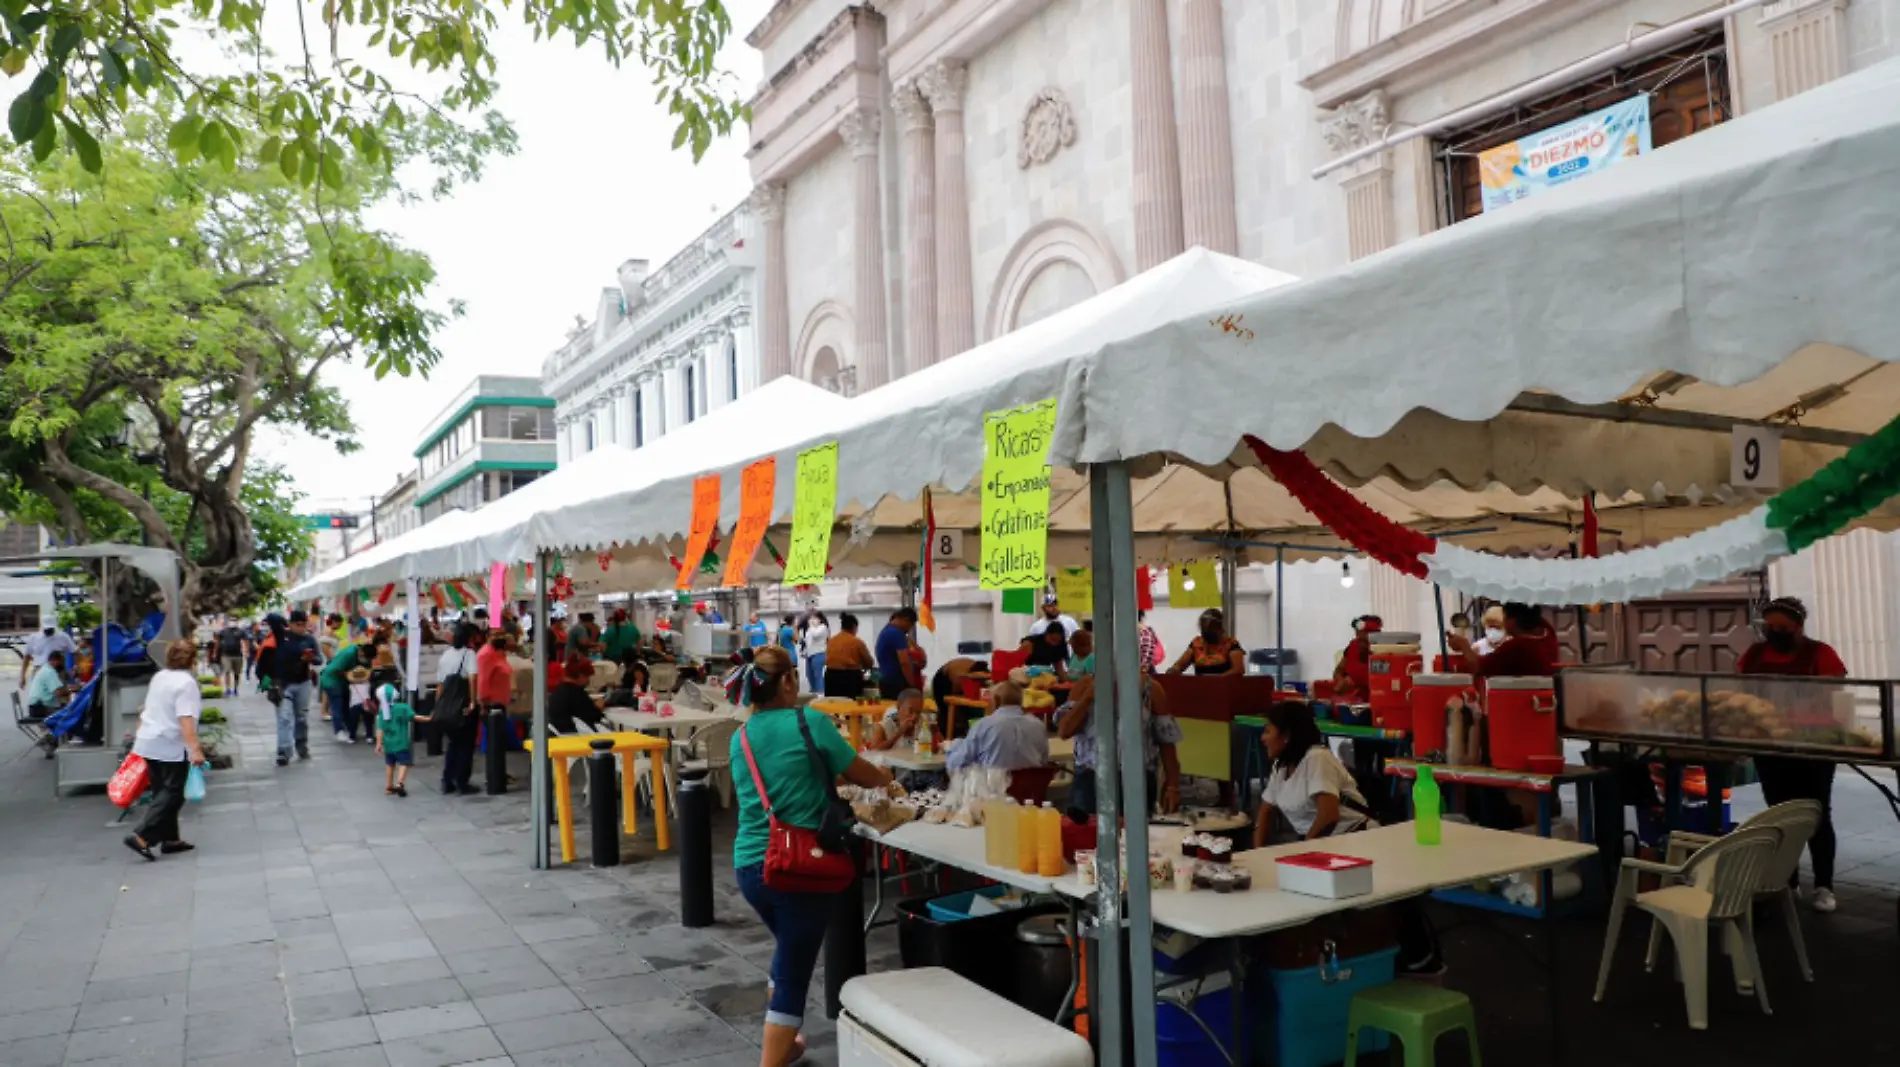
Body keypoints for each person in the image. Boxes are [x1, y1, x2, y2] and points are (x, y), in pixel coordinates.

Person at [730, 646, 892, 1067]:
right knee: (793, 975)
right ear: (787, 681)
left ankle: (789, 1045)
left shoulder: (740, 737)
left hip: (751, 866)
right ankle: (772, 1060)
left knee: (789, 949)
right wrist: (888, 779)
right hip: (799, 866)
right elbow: (862, 774)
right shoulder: (810, 721)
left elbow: (783, 779)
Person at [1739, 596, 1848, 913]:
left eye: (1782, 627)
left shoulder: (1821, 653)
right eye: (1769, 626)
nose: (1774, 632)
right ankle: (1788, 882)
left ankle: (1824, 886)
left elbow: (1837, 693)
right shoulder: (1754, 654)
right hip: (1770, 746)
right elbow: (1740, 689)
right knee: (1779, 814)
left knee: (1816, 814)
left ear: (1799, 626)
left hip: (1813, 746)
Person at [123, 640, 207, 860]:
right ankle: (142, 835)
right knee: (173, 792)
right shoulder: (187, 683)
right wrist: (195, 749)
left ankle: (171, 839)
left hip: (149, 740)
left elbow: (146, 708)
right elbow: (185, 719)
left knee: (162, 790)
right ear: (192, 659)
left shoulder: (160, 677)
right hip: (170, 744)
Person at [1058, 671, 1183, 814]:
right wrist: (1087, 697)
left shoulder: (1151, 689)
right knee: (1088, 832)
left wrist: (1173, 786)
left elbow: (1167, 743)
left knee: (1136, 834)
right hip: (1090, 778)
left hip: (1137, 779)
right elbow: (1064, 731)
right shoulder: (1085, 685)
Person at [1253, 701, 1370, 846]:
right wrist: (1257, 851)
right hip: (1320, 842)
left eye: (1268, 731)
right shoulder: (1281, 767)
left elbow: (1329, 816)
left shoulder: (1317, 758)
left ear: (1286, 735)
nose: (1262, 738)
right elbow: (1265, 811)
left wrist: (1304, 852)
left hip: (1354, 839)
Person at [947, 680, 1049, 774]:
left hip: (992, 791)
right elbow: (1044, 761)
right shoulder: (1038, 725)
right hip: (1031, 791)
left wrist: (952, 748)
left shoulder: (984, 725)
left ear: (996, 700)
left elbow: (957, 764)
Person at [1446, 602, 1560, 679]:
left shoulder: (1517, 647)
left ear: (1512, 621)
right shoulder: (1548, 632)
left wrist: (1463, 645)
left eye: (1504, 617)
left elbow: (1476, 667)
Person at [436, 626, 483, 796]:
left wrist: (439, 705)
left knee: (453, 744)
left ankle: (447, 780)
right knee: (466, 745)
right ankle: (462, 781)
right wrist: (472, 701)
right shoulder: (469, 654)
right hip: (462, 704)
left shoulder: (445, 655)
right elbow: (473, 677)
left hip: (447, 707)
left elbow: (440, 684)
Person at [272, 611, 321, 766]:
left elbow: (319, 659)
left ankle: (301, 745)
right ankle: (284, 751)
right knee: (284, 717)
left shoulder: (309, 639)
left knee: (301, 717)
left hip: (303, 682)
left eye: (304, 625)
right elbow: (273, 618)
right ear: (291, 624)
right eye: (297, 625)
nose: (301, 628)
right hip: (283, 683)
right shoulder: (282, 637)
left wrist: (310, 658)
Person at [372, 681, 428, 798]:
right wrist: (429, 719)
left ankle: (388, 787)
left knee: (389, 765)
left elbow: (380, 729)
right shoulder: (402, 707)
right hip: (401, 743)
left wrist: (379, 744)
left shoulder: (382, 713)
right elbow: (414, 717)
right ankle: (400, 783)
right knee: (404, 763)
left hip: (388, 745)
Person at [1168, 608, 1245, 676]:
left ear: (1220, 628)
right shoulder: (1197, 644)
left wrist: (1215, 681)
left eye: (1211, 629)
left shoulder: (1231, 644)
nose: (1207, 633)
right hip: (1201, 689)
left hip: (1226, 688)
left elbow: (1238, 670)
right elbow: (1179, 665)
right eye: (1204, 630)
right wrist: (1174, 670)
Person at [319, 632, 366, 743]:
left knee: (345, 706)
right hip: (331, 681)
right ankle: (339, 731)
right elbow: (337, 669)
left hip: (340, 682)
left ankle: (350, 730)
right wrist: (349, 676)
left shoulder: (354, 650)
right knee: (337, 707)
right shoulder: (349, 653)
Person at [822, 613, 874, 698]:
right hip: (850, 678)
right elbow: (869, 663)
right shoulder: (857, 642)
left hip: (831, 676)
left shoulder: (831, 641)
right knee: (850, 706)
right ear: (854, 627)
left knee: (833, 705)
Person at [1331, 615, 1382, 699]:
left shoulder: (1382, 652)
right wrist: (1340, 680)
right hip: (1348, 702)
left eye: (1365, 641)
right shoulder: (1353, 646)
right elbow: (1339, 669)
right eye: (1358, 633)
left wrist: (1352, 681)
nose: (1360, 637)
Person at [874, 608, 922, 695]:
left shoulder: (886, 631)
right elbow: (904, 662)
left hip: (885, 680)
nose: (909, 630)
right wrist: (912, 685)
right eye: (910, 625)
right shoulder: (897, 634)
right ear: (906, 620)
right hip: (896, 684)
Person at [21, 622, 77, 686]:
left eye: (50, 629)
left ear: (54, 627)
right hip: (39, 670)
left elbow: (75, 652)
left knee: (59, 694)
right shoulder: (33, 638)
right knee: (40, 693)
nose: (48, 631)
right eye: (46, 629)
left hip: (58, 671)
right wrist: (22, 676)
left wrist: (75, 668)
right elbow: (26, 657)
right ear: (42, 627)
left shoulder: (63, 637)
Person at [26, 651, 68, 718]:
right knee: (69, 712)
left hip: (35, 707)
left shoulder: (44, 669)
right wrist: (70, 691)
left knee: (66, 707)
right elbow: (58, 693)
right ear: (55, 660)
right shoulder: (49, 672)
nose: (62, 665)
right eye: (61, 662)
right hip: (41, 709)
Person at [799, 611, 830, 694]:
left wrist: (812, 626)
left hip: (819, 653)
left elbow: (815, 635)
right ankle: (813, 691)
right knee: (809, 674)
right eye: (811, 618)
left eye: (815, 618)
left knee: (818, 675)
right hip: (810, 655)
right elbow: (807, 641)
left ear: (820, 619)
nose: (812, 620)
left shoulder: (823, 627)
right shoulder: (810, 629)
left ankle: (820, 692)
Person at [214, 619, 248, 696]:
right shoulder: (223, 631)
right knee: (227, 671)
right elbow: (218, 642)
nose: (232, 622)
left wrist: (246, 651)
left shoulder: (240, 631)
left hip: (238, 655)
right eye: (231, 620)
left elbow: (246, 640)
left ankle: (236, 688)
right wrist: (215, 652)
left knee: (237, 673)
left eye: (234, 620)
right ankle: (228, 688)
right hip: (226, 655)